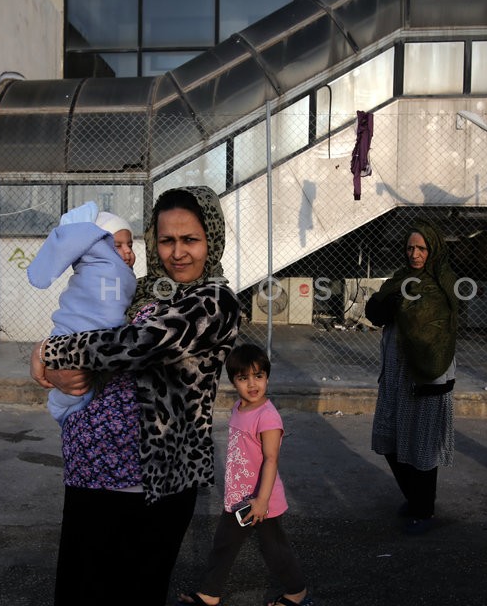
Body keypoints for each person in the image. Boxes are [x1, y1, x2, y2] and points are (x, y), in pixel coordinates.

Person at [29, 186, 241, 605]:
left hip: (154, 482)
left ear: (211, 240)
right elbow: (81, 323)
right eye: (166, 240)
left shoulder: (216, 302)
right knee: (80, 590)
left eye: (190, 240)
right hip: (90, 469)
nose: (178, 253)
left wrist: (46, 352)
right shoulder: (134, 287)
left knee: (134, 592)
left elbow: (137, 343)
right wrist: (47, 359)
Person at [177, 343, 314, 606]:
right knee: (224, 544)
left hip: (262, 501)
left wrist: (262, 500)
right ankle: (209, 594)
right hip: (239, 498)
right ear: (233, 382)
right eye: (243, 378)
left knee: (274, 550)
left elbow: (271, 459)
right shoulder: (239, 409)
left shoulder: (268, 417)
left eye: (258, 376)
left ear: (267, 377)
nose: (252, 384)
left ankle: (297, 593)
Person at [364, 219, 458, 535]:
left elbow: (432, 328)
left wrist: (397, 306)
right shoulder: (400, 280)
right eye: (410, 248)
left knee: (422, 444)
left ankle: (424, 509)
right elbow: (375, 311)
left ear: (433, 250)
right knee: (390, 437)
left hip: (430, 373)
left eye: (421, 248)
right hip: (396, 372)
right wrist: (391, 303)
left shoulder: (442, 284)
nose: (415, 254)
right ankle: (413, 497)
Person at [26, 201, 136, 426]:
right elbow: (95, 317)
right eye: (117, 245)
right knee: (73, 395)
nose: (127, 252)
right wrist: (45, 353)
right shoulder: (96, 279)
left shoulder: (129, 283)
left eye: (130, 245)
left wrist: (43, 352)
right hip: (73, 351)